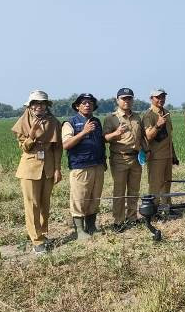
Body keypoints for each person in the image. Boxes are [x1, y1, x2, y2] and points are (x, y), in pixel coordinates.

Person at [12, 90, 63, 254]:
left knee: (44, 203)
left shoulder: (53, 122)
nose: (38, 106)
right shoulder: (23, 121)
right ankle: (36, 240)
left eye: (42, 103)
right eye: (35, 103)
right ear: (30, 105)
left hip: (47, 167)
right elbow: (24, 148)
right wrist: (32, 134)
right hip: (29, 168)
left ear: (46, 105)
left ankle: (41, 233)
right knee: (32, 204)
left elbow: (57, 148)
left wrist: (57, 169)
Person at [62, 93, 106, 240]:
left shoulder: (97, 121)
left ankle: (92, 226)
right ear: (77, 106)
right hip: (81, 166)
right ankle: (79, 231)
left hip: (98, 165)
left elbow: (100, 141)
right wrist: (84, 132)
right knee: (79, 199)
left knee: (95, 197)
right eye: (84, 102)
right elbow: (66, 144)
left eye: (90, 103)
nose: (87, 105)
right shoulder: (70, 123)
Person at [104, 87, 147, 231]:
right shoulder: (111, 118)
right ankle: (118, 221)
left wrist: (145, 150)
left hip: (135, 158)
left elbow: (141, 136)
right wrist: (116, 133)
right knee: (119, 191)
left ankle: (132, 218)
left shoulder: (137, 117)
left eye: (129, 98)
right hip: (119, 158)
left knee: (134, 190)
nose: (127, 101)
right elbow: (105, 138)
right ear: (117, 100)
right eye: (124, 98)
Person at [142, 88, 178, 205]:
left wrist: (173, 155)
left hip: (167, 155)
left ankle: (167, 207)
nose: (161, 99)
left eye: (163, 97)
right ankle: (154, 209)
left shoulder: (166, 112)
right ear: (151, 99)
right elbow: (147, 136)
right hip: (156, 156)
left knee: (167, 183)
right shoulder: (149, 115)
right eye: (158, 97)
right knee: (155, 184)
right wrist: (157, 125)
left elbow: (169, 136)